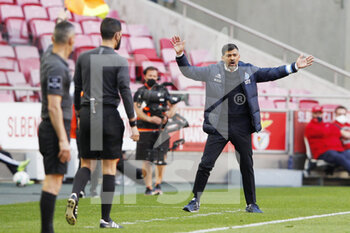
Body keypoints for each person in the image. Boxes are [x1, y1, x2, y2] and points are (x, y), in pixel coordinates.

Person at [171, 36, 314, 213]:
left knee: (246, 165)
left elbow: (271, 73)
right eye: (229, 55)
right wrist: (180, 55)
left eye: (235, 55)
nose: (232, 58)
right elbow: (190, 72)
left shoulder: (249, 71)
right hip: (219, 126)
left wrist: (294, 67)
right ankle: (194, 201)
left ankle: (251, 204)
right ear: (223, 57)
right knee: (206, 164)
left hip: (242, 126)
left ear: (239, 56)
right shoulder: (212, 71)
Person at [65, 17, 139, 229]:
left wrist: (80, 114)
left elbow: (77, 87)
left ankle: (74, 193)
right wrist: (133, 123)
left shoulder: (83, 57)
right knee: (109, 167)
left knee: (86, 163)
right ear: (117, 36)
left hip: (87, 114)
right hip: (108, 114)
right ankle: (105, 219)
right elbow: (125, 91)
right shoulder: (120, 60)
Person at [38, 21, 75, 233]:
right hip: (54, 129)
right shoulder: (56, 67)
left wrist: (59, 21)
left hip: (52, 128)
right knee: (52, 182)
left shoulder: (48, 58)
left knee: (54, 180)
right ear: (71, 41)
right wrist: (63, 139)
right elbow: (54, 106)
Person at [133, 66, 177, 195]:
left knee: (161, 158)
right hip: (144, 129)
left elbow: (173, 106)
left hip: (161, 130)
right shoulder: (140, 92)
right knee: (146, 159)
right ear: (145, 76)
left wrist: (167, 116)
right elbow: (137, 109)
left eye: (154, 76)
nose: (152, 78)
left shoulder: (163, 90)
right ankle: (148, 187)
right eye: (150, 75)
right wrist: (150, 119)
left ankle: (158, 184)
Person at [305, 105, 350, 172]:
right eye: (316, 113)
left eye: (319, 113)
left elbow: (342, 133)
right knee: (340, 158)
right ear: (312, 114)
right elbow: (323, 133)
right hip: (324, 152)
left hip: (338, 150)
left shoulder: (328, 125)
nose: (318, 115)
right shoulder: (310, 126)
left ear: (322, 114)